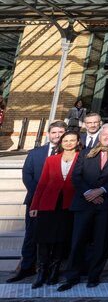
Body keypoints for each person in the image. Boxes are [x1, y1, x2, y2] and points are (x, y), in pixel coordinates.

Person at [58, 124, 108, 291]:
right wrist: (88, 192)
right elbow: (76, 176)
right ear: (100, 136)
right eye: (105, 134)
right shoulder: (85, 153)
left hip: (106, 203)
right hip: (84, 203)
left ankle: (93, 276)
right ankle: (72, 276)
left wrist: (101, 191)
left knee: (101, 242)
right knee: (77, 241)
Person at [10, 121, 65, 284]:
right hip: (36, 200)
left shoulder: (70, 153)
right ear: (49, 134)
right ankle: (26, 267)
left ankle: (51, 269)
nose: (58, 135)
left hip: (59, 202)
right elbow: (27, 174)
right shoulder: (35, 153)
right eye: (54, 132)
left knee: (55, 236)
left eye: (61, 132)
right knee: (31, 235)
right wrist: (39, 196)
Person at [27, 129, 79, 288]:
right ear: (61, 143)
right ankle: (42, 271)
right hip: (48, 204)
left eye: (72, 140)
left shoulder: (81, 158)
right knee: (43, 239)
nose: (69, 143)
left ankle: (54, 270)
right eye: (66, 140)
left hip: (68, 205)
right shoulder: (51, 160)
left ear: (77, 142)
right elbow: (42, 183)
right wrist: (35, 204)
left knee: (60, 239)